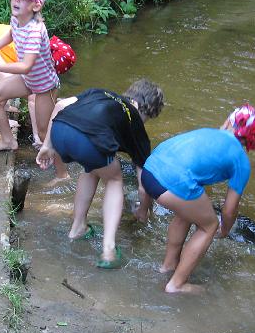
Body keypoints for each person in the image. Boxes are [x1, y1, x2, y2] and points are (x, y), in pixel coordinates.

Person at [36, 79, 165, 269]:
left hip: (60, 130)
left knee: (92, 168)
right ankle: (109, 249)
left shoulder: (102, 93)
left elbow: (61, 105)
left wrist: (47, 146)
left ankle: (77, 227)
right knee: (114, 179)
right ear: (147, 110)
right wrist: (143, 211)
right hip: (87, 139)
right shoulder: (136, 124)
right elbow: (144, 187)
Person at [140, 104, 255, 294]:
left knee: (188, 212)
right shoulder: (241, 161)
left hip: (149, 170)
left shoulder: (208, 133)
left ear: (228, 122)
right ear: (252, 142)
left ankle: (168, 266)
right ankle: (177, 284)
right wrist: (224, 229)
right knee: (209, 225)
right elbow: (229, 210)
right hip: (172, 181)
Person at [0, 0, 60, 153]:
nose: (16, 0)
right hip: (28, 80)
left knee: (44, 133)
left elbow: (25, 66)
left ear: (35, 6)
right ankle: (8, 141)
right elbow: (11, 33)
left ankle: (61, 169)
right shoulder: (17, 20)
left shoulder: (36, 30)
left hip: (45, 85)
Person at [0, 23, 75, 149]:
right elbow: (32, 97)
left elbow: (33, 95)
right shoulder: (31, 46)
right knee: (2, 83)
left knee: (43, 132)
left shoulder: (39, 55)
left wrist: (39, 135)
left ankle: (63, 149)